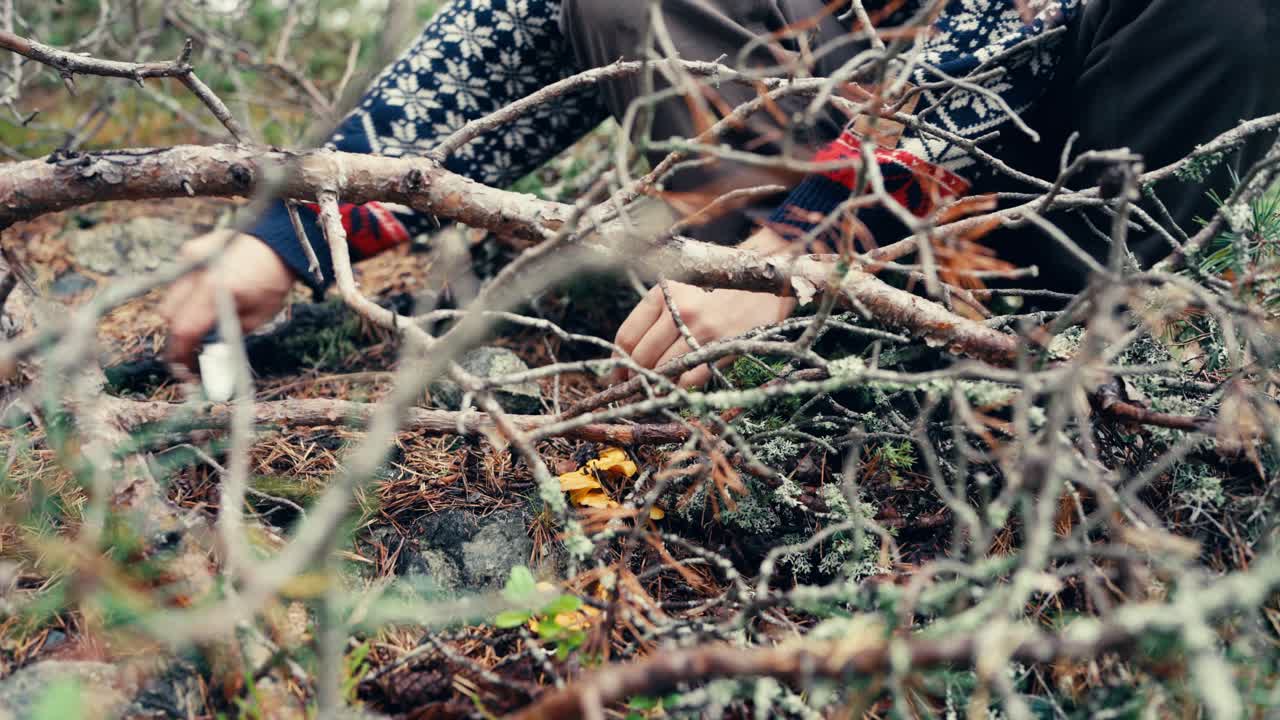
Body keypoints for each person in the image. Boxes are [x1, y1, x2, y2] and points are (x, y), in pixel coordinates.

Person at [161, 0, 1280, 388]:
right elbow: (515, 25)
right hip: (793, 205)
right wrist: (288, 231)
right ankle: (754, 310)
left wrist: (814, 251)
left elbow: (1017, 27)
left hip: (1045, 247)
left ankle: (1029, 371)